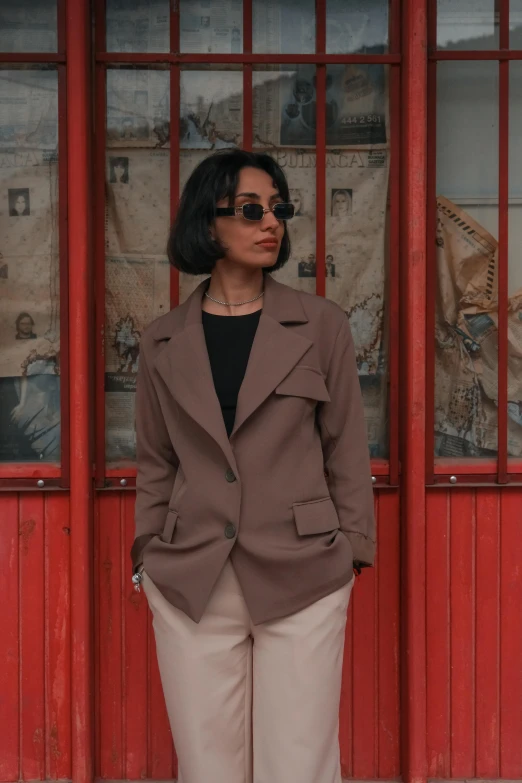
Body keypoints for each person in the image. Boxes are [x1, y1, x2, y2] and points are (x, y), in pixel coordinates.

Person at [131, 149, 375, 783]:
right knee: (207, 765)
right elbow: (157, 460)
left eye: (279, 209)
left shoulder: (322, 326)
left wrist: (351, 549)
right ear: (206, 224)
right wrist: (146, 555)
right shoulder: (161, 341)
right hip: (193, 576)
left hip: (304, 572)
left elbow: (345, 446)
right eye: (250, 210)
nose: (272, 223)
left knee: (298, 763)